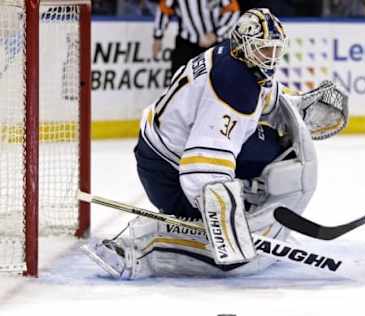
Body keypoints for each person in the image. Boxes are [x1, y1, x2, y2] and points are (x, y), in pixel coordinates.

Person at [82, 8, 349, 279]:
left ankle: (252, 210)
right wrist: (224, 221)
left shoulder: (235, 57)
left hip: (166, 152)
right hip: (167, 174)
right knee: (232, 261)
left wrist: (297, 106)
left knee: (278, 149)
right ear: (245, 45)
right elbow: (202, 165)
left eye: (275, 50)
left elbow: (264, 94)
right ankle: (143, 249)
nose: (272, 58)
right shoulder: (233, 84)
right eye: (264, 50)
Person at [152, 0, 240, 75]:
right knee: (179, 81)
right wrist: (158, 37)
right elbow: (164, 9)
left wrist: (216, 34)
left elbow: (233, 9)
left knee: (217, 81)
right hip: (187, 43)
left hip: (215, 45)